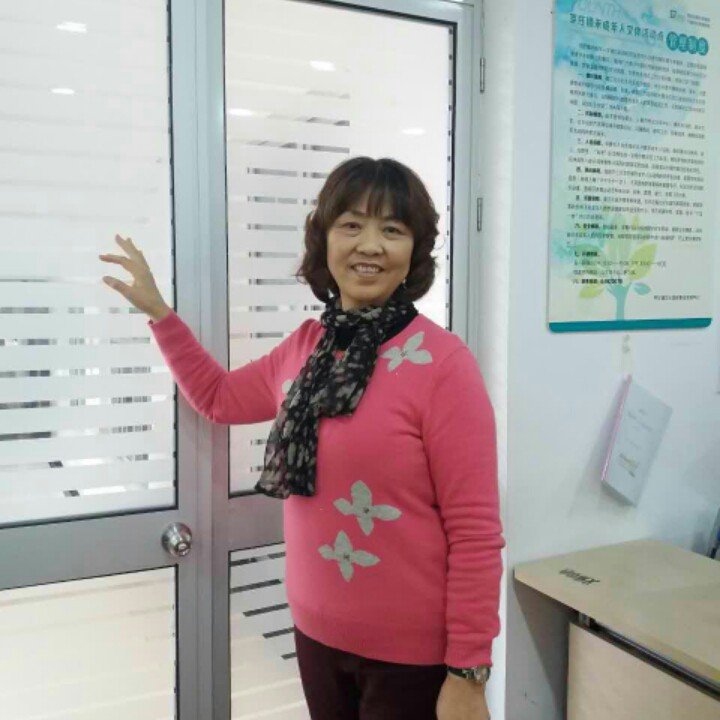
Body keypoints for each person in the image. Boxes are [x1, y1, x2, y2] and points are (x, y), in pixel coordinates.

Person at [100, 157, 503, 720]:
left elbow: (475, 532)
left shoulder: (444, 365)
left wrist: (469, 672)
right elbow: (218, 396)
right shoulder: (308, 347)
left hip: (410, 655)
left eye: (392, 229)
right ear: (325, 239)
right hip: (316, 633)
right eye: (351, 224)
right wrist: (159, 314)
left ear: (414, 250)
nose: (370, 245)